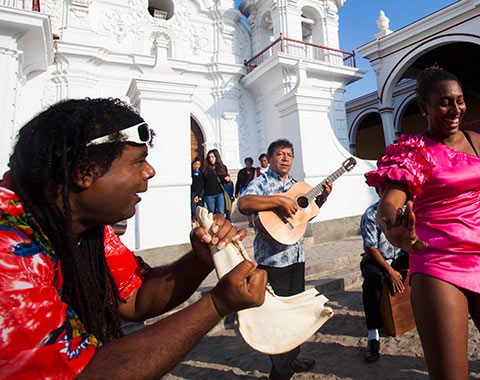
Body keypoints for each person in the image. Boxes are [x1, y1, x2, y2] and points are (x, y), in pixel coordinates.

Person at [0, 98, 267, 379]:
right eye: (139, 161)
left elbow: (135, 299)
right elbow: (80, 374)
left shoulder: (83, 227)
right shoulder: (8, 251)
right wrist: (217, 304)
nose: (150, 171)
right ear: (83, 171)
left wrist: (199, 261)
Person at [365, 66, 480, 380]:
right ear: (424, 107)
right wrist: (392, 227)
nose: (455, 109)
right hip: (436, 263)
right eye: (444, 102)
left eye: (459, 101)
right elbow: (390, 202)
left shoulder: (476, 142)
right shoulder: (412, 151)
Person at [237, 139, 332, 380]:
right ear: (269, 159)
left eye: (289, 154)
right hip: (272, 262)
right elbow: (244, 203)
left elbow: (301, 218)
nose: (286, 158)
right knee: (278, 317)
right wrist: (278, 200)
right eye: (280, 154)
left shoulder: (298, 186)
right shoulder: (261, 182)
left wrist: (321, 200)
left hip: (296, 258)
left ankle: (292, 359)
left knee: (295, 314)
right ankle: (280, 372)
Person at [359, 188, 409, 363]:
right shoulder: (371, 214)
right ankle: (373, 335)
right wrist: (390, 271)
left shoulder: (407, 211)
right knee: (371, 282)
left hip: (401, 257)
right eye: (385, 189)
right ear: (378, 191)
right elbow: (370, 247)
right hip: (377, 259)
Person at [197, 149, 231, 216]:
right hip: (209, 194)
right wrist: (198, 194)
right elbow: (201, 182)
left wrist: (228, 179)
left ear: (216, 157)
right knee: (211, 213)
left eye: (213, 157)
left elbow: (225, 179)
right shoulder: (205, 168)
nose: (211, 159)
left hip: (219, 193)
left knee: (221, 212)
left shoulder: (222, 167)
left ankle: (220, 226)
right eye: (209, 157)